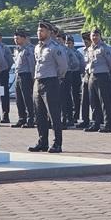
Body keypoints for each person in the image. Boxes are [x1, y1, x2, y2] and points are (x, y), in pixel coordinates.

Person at [29, 20, 68, 154]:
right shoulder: (37, 47)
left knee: (53, 115)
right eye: (38, 30)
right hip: (38, 81)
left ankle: (57, 143)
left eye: (42, 30)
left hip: (50, 82)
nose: (39, 32)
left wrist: (56, 78)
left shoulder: (55, 48)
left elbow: (63, 67)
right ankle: (42, 142)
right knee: (39, 115)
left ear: (50, 33)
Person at [85, 28, 111, 133]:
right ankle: (96, 122)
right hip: (92, 76)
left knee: (104, 101)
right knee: (93, 101)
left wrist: (107, 74)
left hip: (102, 76)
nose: (94, 37)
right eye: (93, 35)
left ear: (100, 36)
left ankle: (107, 124)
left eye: (96, 35)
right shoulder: (90, 49)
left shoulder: (104, 48)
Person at [11, 29, 35, 129]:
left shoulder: (28, 49)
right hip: (18, 74)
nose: (16, 40)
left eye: (18, 38)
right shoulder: (17, 49)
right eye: (15, 38)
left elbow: (32, 65)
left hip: (26, 75)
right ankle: (22, 118)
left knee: (27, 99)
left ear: (24, 38)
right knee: (18, 99)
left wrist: (33, 78)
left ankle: (30, 119)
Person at [0, 31, 13, 124]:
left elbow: (10, 61)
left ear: (0, 38)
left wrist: (5, 69)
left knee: (4, 95)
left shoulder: (5, 48)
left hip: (3, 72)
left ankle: (6, 115)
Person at [62, 35, 81, 128]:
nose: (68, 44)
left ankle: (75, 115)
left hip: (74, 74)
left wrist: (73, 69)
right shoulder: (63, 50)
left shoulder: (75, 52)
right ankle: (69, 116)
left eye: (69, 43)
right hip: (67, 74)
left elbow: (79, 64)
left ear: (73, 44)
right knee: (67, 95)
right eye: (67, 43)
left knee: (75, 95)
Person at [76, 32, 93, 129]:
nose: (85, 43)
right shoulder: (84, 51)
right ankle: (85, 120)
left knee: (94, 101)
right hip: (85, 76)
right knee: (84, 99)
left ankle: (95, 120)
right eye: (84, 41)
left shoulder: (94, 50)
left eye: (87, 41)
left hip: (94, 75)